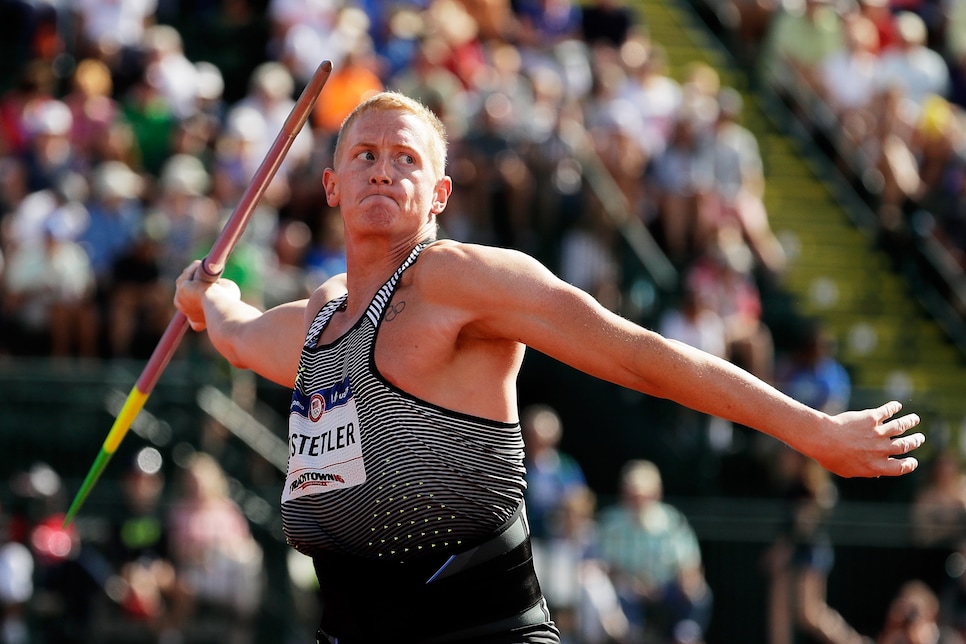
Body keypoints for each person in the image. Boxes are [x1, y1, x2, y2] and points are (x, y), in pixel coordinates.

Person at [173, 91, 924, 643]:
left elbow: (637, 354)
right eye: (364, 155)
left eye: (407, 158)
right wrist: (211, 299)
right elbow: (239, 336)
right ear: (331, 186)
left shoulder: (456, 282)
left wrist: (810, 428)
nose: (382, 171)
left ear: (438, 196)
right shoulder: (318, 324)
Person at [597, 459, 713, 643]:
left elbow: (689, 563)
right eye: (632, 495)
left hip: (667, 588)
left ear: (656, 494)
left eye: (644, 495)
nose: (638, 502)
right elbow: (603, 566)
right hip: (627, 590)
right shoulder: (610, 523)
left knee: (699, 594)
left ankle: (686, 636)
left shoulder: (672, 520)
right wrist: (633, 583)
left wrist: (688, 582)